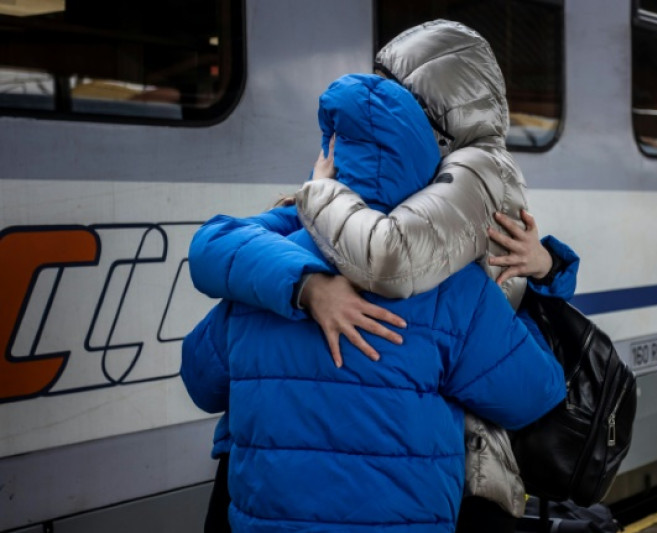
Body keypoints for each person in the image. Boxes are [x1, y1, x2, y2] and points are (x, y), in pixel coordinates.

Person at [188, 20, 580, 533]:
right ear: (430, 161)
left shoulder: (266, 274)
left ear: (330, 153)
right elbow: (534, 393)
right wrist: (523, 309)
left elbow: (201, 379)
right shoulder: (455, 288)